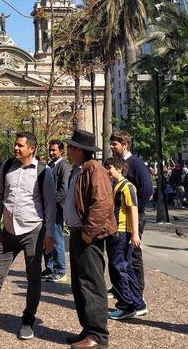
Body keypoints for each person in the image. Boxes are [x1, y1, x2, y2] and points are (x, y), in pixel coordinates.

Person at [0, 131, 55, 340]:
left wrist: (49, 235)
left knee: (33, 278)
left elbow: (49, 205)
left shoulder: (43, 171)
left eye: (20, 145)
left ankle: (28, 320)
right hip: (8, 232)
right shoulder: (7, 167)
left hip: (33, 232)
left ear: (32, 148)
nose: (16, 148)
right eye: (15, 145)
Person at [63, 129, 115, 349]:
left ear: (81, 150)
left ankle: (98, 334)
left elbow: (102, 203)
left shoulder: (94, 169)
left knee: (91, 284)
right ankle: (88, 328)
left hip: (88, 236)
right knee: (80, 284)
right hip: (78, 234)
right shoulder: (80, 169)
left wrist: (87, 233)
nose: (68, 150)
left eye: (71, 147)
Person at [108, 131, 152, 297]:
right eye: (111, 144)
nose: (112, 147)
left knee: (133, 254)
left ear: (124, 145)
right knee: (121, 255)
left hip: (134, 216)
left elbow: (147, 189)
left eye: (115, 144)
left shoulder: (136, 163)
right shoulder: (117, 164)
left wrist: (135, 208)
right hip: (120, 217)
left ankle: (137, 290)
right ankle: (121, 286)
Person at [104, 156, 146, 320]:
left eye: (110, 168)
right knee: (126, 267)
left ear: (119, 168)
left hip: (122, 231)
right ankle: (137, 302)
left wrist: (135, 233)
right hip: (120, 230)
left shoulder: (127, 187)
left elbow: (133, 209)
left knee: (118, 267)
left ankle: (126, 304)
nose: (108, 171)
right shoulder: (118, 186)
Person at [42, 139, 71, 283]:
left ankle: (60, 270)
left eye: (54, 150)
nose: (51, 153)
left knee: (57, 239)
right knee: (46, 237)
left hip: (57, 208)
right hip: (47, 208)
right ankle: (50, 268)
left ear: (61, 151)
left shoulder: (64, 166)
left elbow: (64, 190)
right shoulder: (50, 166)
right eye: (50, 150)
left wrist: (51, 202)